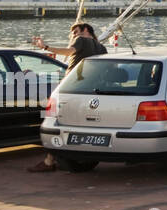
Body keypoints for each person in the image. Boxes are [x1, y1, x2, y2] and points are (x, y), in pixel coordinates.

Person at [27, 22, 107, 172]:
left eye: (75, 32)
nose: (73, 35)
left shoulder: (81, 40)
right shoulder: (101, 47)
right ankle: (63, 158)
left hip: (72, 88)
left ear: (85, 30)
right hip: (92, 90)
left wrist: (45, 47)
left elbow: (69, 52)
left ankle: (49, 161)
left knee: (57, 121)